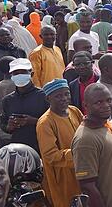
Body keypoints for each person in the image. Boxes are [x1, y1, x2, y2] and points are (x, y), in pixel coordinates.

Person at [36, 78, 83, 207]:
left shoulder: (74, 111)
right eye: (58, 96)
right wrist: (78, 155)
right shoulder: (45, 123)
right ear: (48, 99)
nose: (64, 98)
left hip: (82, 169)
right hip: (62, 176)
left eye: (66, 94)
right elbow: (50, 155)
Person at [0, 58, 49, 152]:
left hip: (41, 146)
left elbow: (54, 121)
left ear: (31, 74)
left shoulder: (44, 96)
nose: (19, 76)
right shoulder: (7, 100)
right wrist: (9, 126)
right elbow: (3, 123)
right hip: (18, 148)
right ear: (11, 76)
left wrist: (34, 121)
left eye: (23, 72)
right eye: (16, 73)